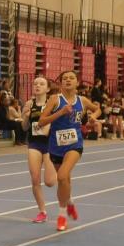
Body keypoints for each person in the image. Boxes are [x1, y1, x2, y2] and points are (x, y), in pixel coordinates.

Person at [37, 70, 101, 232]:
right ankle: (70, 202)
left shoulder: (82, 100)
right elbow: (41, 122)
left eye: (71, 78)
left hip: (75, 144)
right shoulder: (55, 99)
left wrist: (93, 117)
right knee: (64, 181)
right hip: (56, 145)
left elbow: (97, 109)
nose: (68, 80)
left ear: (77, 82)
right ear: (60, 83)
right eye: (65, 78)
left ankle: (62, 215)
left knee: (62, 176)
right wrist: (61, 112)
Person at [22, 76, 57, 224]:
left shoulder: (53, 104)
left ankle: (61, 171)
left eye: (41, 84)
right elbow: (24, 127)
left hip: (50, 144)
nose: (37, 86)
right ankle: (42, 211)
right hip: (34, 144)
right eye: (35, 83)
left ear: (48, 88)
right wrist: (25, 116)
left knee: (49, 182)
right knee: (35, 179)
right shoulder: (29, 104)